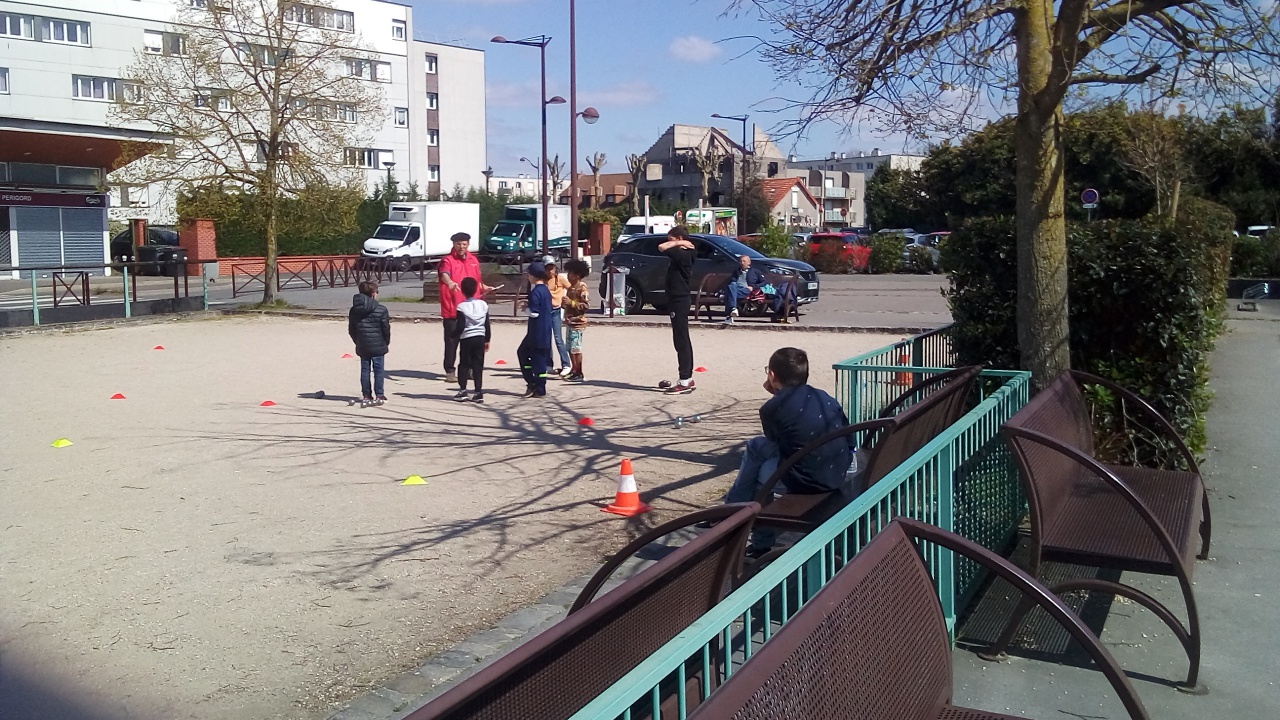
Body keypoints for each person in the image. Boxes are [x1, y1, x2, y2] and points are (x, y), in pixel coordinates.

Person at [720, 347, 855, 556]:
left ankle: (749, 531)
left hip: (809, 480)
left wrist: (776, 395)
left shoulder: (771, 409)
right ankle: (732, 508)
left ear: (772, 375)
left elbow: (776, 441)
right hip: (837, 468)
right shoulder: (824, 397)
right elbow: (848, 436)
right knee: (756, 447)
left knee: (758, 472)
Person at [438, 233, 490, 385]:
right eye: (459, 244)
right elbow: (444, 274)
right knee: (452, 341)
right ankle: (450, 370)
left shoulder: (473, 260)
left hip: (472, 308)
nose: (461, 247)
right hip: (453, 308)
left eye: (464, 244)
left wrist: (485, 288)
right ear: (454, 244)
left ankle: (469, 369)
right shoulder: (447, 260)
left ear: (468, 244)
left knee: (471, 340)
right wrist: (450, 283)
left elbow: (478, 281)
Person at [657, 226, 697, 394]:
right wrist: (680, 243)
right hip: (678, 299)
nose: (669, 242)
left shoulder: (683, 254)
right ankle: (687, 377)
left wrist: (678, 243)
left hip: (679, 299)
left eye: (671, 239)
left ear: (679, 238)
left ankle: (685, 379)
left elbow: (661, 247)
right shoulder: (685, 253)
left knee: (681, 339)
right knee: (681, 338)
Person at [348, 280, 391, 408]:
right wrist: (386, 342)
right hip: (378, 343)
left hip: (362, 343)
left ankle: (367, 395)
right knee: (378, 370)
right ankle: (379, 394)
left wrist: (357, 341)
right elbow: (386, 329)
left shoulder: (354, 310)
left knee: (365, 370)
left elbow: (351, 329)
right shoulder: (381, 309)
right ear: (373, 293)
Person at [517, 262, 554, 398]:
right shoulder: (546, 290)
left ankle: (535, 385)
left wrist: (525, 309)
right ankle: (538, 386)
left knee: (527, 355)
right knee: (538, 358)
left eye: (529, 275)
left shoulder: (535, 292)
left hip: (536, 331)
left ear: (533, 276)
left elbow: (534, 313)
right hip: (545, 330)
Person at [452, 276, 490, 404]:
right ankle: (478, 392)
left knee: (464, 364)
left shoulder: (461, 307)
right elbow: (487, 323)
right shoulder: (483, 304)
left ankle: (463, 390)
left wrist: (453, 335)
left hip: (467, 338)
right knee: (478, 365)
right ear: (476, 289)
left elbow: (461, 325)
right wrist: (487, 339)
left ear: (462, 290)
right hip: (480, 336)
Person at [561, 258, 591, 383]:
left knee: (576, 349)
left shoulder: (582, 288)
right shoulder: (570, 288)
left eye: (570, 274)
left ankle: (579, 372)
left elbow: (586, 305)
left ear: (577, 275)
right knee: (569, 348)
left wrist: (571, 303)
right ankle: (573, 370)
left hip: (578, 323)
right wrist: (564, 304)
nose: (568, 276)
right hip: (570, 322)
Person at [543, 256, 572, 378]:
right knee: (546, 339)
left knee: (558, 338)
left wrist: (567, 300)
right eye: (548, 268)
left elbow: (571, 288)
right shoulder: (543, 280)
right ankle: (548, 364)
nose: (550, 271)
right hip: (545, 311)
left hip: (556, 311)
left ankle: (566, 364)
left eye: (552, 268)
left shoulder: (560, 278)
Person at [722, 254, 766, 324]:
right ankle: (733, 308)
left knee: (730, 294)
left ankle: (730, 316)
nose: (742, 263)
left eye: (744, 261)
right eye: (741, 261)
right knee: (732, 285)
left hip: (746, 289)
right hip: (736, 288)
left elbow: (764, 282)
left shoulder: (755, 271)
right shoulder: (736, 272)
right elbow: (732, 281)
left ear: (749, 262)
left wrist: (753, 287)